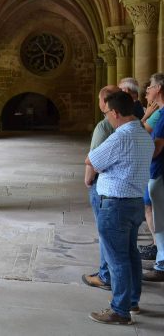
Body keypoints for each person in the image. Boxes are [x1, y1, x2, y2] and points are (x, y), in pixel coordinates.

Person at [86, 91, 153, 325]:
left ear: (115, 113)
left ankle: (120, 310)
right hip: (134, 202)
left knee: (117, 260)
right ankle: (132, 300)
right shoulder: (144, 134)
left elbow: (92, 161)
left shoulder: (120, 136)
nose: (108, 118)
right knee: (131, 254)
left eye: (107, 114)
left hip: (115, 204)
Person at [81, 85, 118, 293]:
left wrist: (88, 181)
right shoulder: (134, 127)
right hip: (126, 190)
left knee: (105, 234)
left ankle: (105, 275)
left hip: (104, 186)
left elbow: (92, 160)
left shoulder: (103, 127)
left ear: (104, 102)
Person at [142, 73, 164, 282]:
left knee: (160, 218)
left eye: (150, 86)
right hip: (157, 171)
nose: (147, 90)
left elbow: (156, 148)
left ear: (158, 88)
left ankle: (162, 265)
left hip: (158, 171)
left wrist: (139, 155)